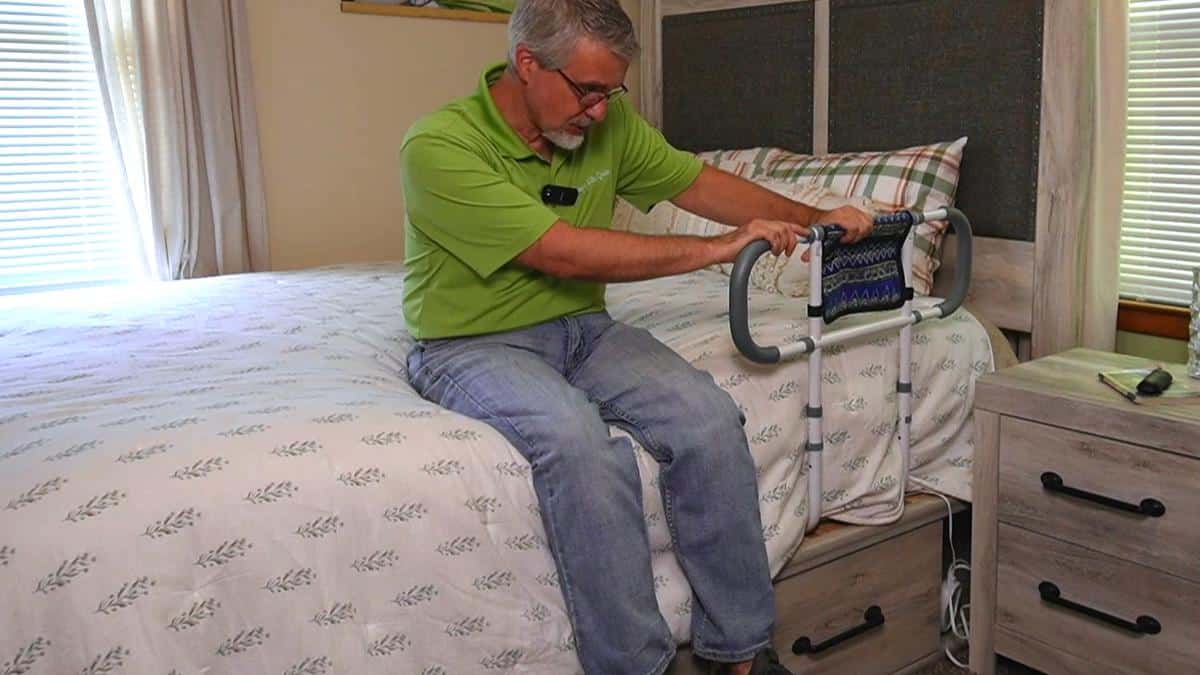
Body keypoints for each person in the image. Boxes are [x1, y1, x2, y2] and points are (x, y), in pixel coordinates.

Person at [400, 1, 873, 673]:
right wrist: (716, 251)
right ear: (527, 63)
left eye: (611, 92)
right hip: (471, 343)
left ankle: (741, 652)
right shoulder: (439, 146)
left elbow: (698, 184)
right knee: (578, 446)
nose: (599, 111)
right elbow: (562, 252)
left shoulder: (607, 121)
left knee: (708, 418)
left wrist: (815, 215)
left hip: (582, 328)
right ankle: (636, 665)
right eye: (587, 91)